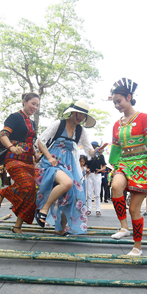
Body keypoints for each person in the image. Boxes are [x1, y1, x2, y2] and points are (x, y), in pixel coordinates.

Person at [108, 78, 147, 256]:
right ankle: (123, 227)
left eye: (119, 101)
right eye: (114, 102)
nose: (117, 105)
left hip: (142, 165)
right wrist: (114, 166)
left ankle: (137, 247)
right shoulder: (116, 124)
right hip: (124, 163)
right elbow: (115, 147)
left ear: (129, 97)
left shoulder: (144, 118)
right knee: (115, 186)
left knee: (134, 209)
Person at [35, 100, 97, 234]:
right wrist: (50, 157)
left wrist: (97, 151)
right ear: (72, 112)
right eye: (79, 114)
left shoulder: (80, 130)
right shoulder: (59, 124)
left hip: (69, 166)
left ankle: (61, 229)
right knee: (67, 183)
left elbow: (89, 150)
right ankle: (44, 209)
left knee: (74, 195)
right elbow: (40, 141)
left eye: (83, 115)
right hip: (53, 162)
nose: (80, 117)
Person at [0, 93, 40, 234]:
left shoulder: (32, 123)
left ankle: (17, 226)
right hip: (14, 158)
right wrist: (11, 147)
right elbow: (3, 135)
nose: (35, 107)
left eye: (37, 105)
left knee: (32, 191)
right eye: (33, 103)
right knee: (28, 185)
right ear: (24, 102)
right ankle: (3, 192)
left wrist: (36, 153)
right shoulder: (14, 117)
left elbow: (32, 142)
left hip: (29, 160)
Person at [86, 141, 106, 216]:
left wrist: (100, 170)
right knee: (89, 193)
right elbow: (85, 165)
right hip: (89, 175)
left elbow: (104, 166)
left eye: (96, 146)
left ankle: (98, 210)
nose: (94, 148)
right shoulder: (88, 155)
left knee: (97, 193)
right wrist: (86, 169)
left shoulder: (101, 156)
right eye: (93, 146)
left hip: (97, 175)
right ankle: (89, 209)